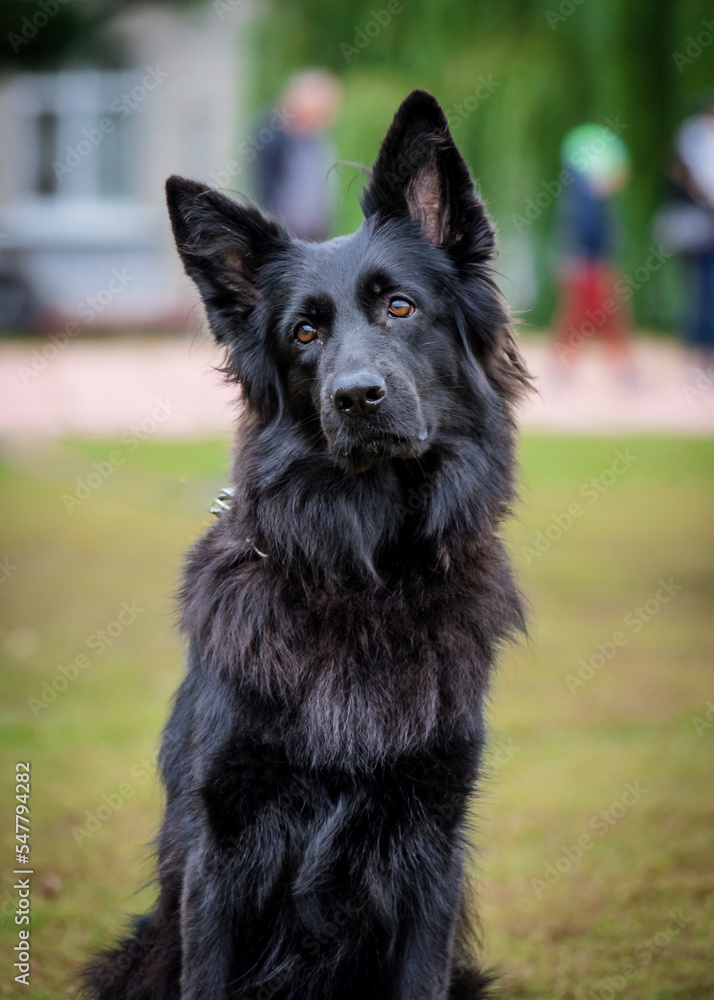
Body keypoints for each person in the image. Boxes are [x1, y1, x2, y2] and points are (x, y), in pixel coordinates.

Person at [549, 123, 635, 380]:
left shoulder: (583, 195)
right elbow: (586, 232)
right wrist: (592, 260)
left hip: (588, 261)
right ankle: (621, 367)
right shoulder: (587, 197)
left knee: (586, 314)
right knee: (596, 313)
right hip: (587, 262)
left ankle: (568, 366)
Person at [254, 70, 342, 242]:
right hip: (286, 228)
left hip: (317, 230)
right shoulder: (274, 135)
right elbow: (265, 183)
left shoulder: (318, 138)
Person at [659, 100, 714, 362]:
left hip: (698, 227)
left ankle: (698, 341)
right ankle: (702, 342)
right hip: (701, 229)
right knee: (704, 284)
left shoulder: (690, 140)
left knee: (700, 285)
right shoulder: (697, 140)